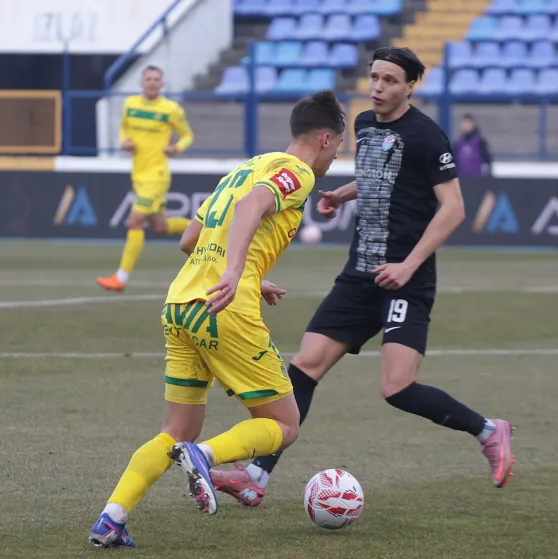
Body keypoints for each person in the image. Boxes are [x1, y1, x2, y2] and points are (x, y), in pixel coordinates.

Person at [207, 47, 515, 508]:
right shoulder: (366, 125)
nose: (378, 87)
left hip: (406, 279)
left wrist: (408, 265)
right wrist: (343, 194)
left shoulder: (428, 136)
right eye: (374, 77)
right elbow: (383, 178)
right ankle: (255, 476)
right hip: (358, 274)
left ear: (410, 86)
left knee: (396, 388)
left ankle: (488, 430)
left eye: (390, 80)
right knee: (302, 369)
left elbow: (453, 209)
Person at [88, 90, 346, 548]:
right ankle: (204, 457)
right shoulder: (299, 172)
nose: (337, 154)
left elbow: (190, 238)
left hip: (181, 303)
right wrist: (236, 272)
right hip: (225, 308)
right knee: (284, 426)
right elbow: (252, 208)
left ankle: (112, 517)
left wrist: (252, 272)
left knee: (175, 429)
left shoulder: (246, 167)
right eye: (340, 146)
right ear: (325, 138)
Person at [96, 66, 195, 292]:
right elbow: (123, 128)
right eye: (148, 79)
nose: (152, 82)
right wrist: (124, 142)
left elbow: (188, 135)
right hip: (139, 175)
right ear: (142, 83)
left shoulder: (171, 110)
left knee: (134, 220)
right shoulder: (130, 105)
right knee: (161, 227)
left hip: (157, 176)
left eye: (156, 79)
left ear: (162, 84)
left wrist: (176, 147)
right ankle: (205, 228)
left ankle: (121, 277)